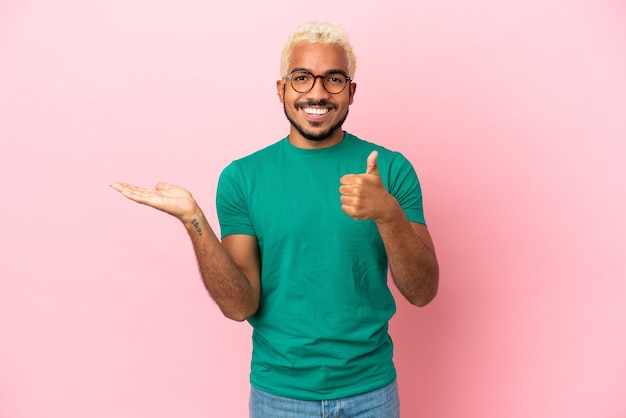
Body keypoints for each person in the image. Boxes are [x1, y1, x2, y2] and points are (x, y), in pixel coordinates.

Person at [110, 21, 438, 418]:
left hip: (370, 393)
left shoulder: (392, 169)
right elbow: (239, 304)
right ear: (281, 89)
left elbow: (422, 292)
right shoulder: (243, 178)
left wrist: (387, 214)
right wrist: (193, 220)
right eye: (302, 78)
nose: (317, 93)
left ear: (351, 92)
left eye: (333, 79)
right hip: (278, 398)